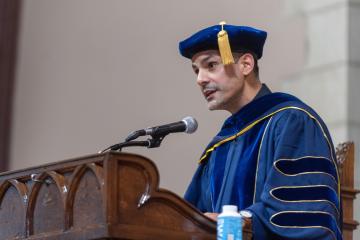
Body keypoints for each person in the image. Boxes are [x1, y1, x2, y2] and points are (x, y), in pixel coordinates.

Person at [178, 22, 342, 240]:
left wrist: (238, 221)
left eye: (211, 65)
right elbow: (189, 219)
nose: (200, 79)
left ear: (246, 65)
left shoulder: (292, 121)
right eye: (196, 70)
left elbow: (303, 215)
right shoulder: (220, 145)